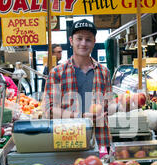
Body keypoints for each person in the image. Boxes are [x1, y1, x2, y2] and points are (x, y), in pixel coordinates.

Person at [42, 19, 113, 151]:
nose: (83, 43)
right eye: (79, 38)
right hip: (68, 141)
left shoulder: (104, 72)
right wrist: (80, 116)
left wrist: (124, 104)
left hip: (101, 140)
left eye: (88, 39)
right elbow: (48, 111)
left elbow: (108, 106)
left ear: (94, 42)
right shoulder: (57, 73)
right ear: (71, 40)